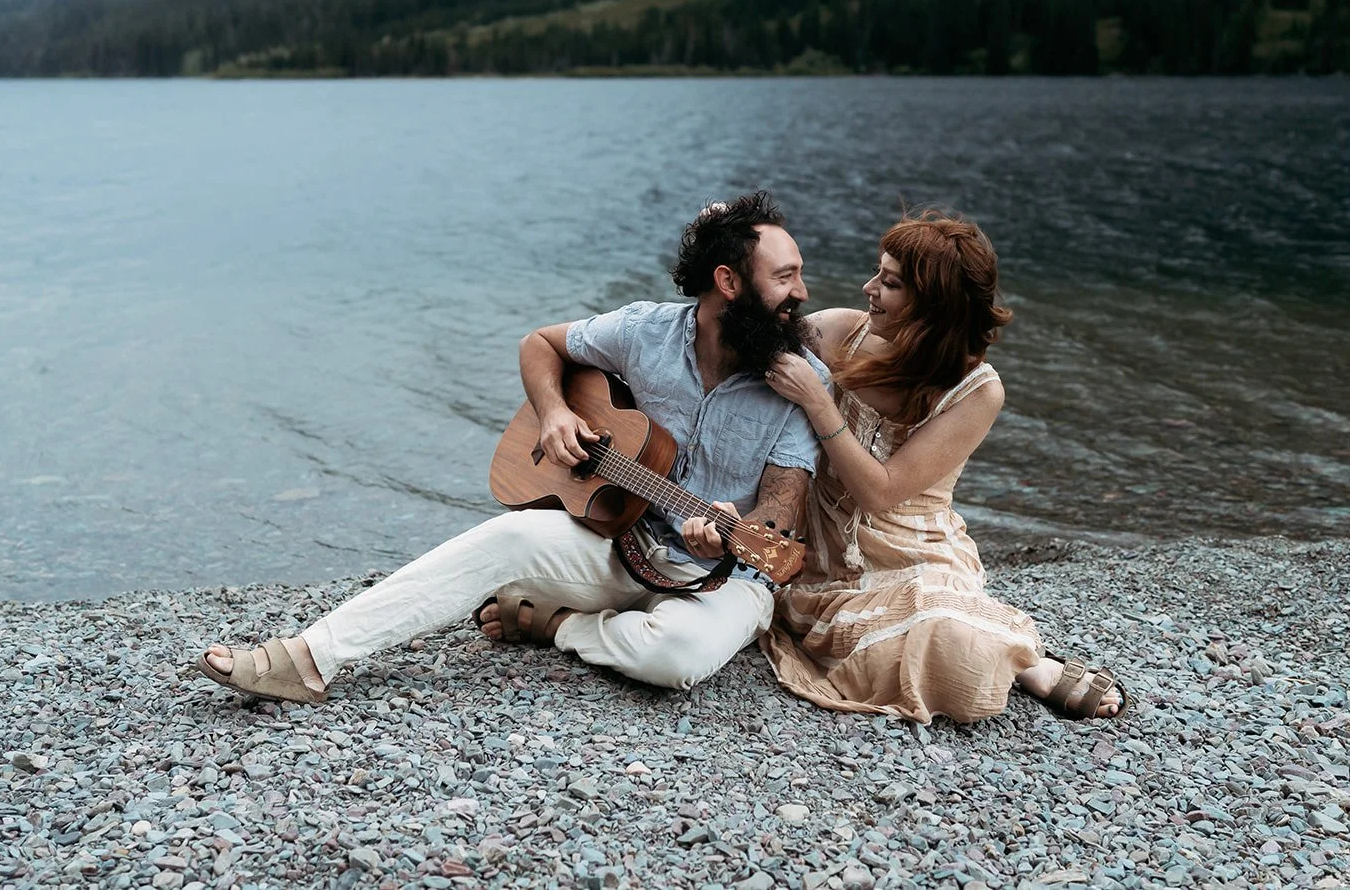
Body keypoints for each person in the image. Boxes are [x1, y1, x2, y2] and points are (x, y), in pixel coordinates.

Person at [198, 191, 829, 704]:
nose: (801, 292)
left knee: (678, 658)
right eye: (785, 276)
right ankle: (308, 660)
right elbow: (539, 344)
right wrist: (555, 415)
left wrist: (734, 533)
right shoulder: (645, 333)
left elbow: (781, 511)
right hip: (621, 544)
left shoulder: (799, 379)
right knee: (501, 541)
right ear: (728, 282)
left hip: (723, 577)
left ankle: (553, 624)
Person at [759, 209, 1127, 722]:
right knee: (921, 647)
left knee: (946, 640)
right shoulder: (841, 332)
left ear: (934, 306)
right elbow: (741, 341)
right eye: (876, 272)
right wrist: (731, 244)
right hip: (825, 554)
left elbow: (882, 492)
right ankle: (1014, 657)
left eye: (889, 283)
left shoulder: (977, 391)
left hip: (919, 551)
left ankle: (1024, 663)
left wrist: (819, 406)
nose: (868, 288)